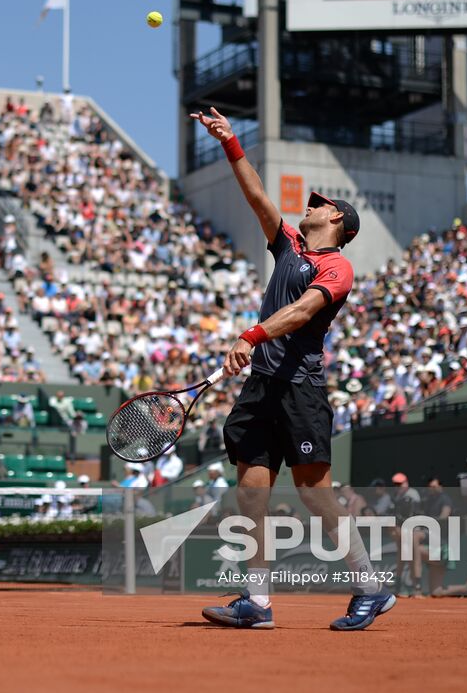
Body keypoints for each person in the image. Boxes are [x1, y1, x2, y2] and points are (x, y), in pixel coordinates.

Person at [190, 107, 390, 632]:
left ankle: (369, 584)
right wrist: (231, 142)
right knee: (251, 490)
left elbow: (303, 312)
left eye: (323, 206)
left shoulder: (336, 267)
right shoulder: (288, 246)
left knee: (312, 492)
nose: (313, 206)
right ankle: (257, 601)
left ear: (340, 224)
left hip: (300, 390)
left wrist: (251, 335)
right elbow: (257, 198)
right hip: (262, 387)